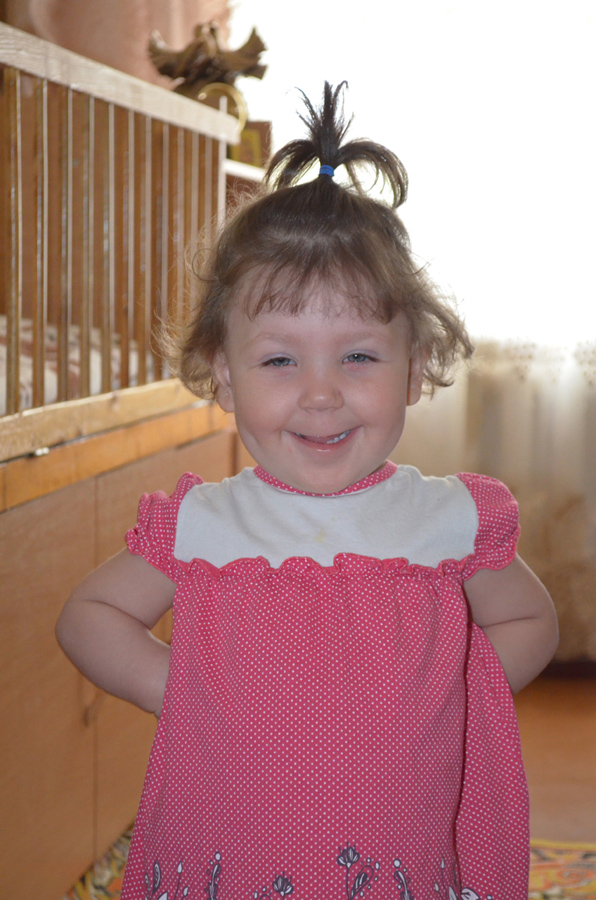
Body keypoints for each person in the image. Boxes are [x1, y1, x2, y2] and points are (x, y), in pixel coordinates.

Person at [56, 83, 558, 900]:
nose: (321, 393)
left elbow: (531, 619)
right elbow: (89, 615)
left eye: (358, 357)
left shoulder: (447, 520)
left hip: (396, 857)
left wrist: (446, 692)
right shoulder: (205, 523)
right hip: (233, 855)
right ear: (225, 374)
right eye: (280, 360)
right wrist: (182, 687)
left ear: (415, 368)